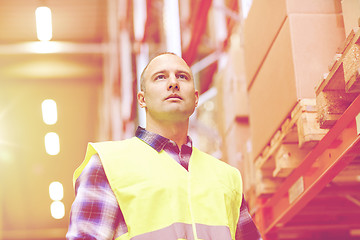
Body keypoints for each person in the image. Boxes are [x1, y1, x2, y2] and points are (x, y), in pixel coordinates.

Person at [66, 52, 262, 240]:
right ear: (142, 99)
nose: (173, 83)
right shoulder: (107, 165)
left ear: (195, 99)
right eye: (160, 77)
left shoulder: (227, 178)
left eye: (182, 76)